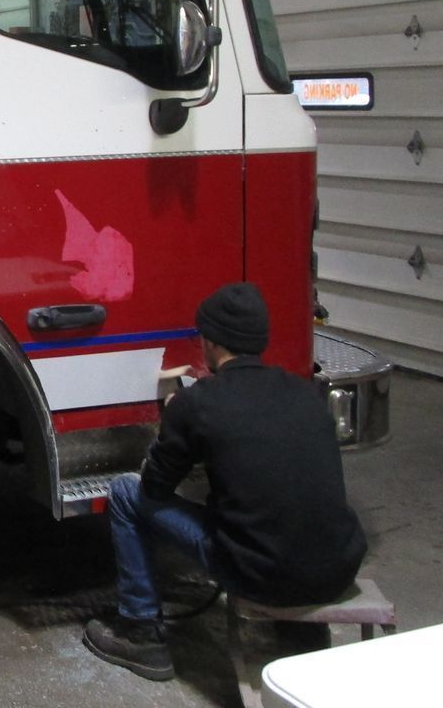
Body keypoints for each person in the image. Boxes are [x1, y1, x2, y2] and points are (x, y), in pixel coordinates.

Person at [83, 282, 366, 681]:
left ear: (211, 343)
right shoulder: (304, 394)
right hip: (340, 568)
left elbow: (154, 488)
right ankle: (298, 634)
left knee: (126, 493)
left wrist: (173, 423)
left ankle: (141, 632)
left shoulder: (200, 403)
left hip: (261, 576)